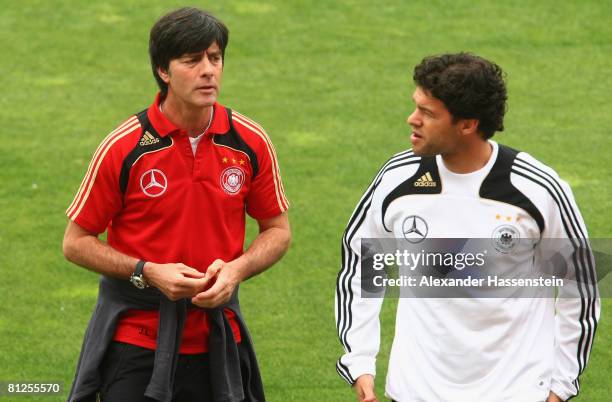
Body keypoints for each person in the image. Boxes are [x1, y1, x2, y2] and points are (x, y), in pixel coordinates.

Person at [335, 53, 599, 402]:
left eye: (428, 113)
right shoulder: (398, 178)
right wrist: (360, 362)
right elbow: (361, 265)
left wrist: (560, 387)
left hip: (514, 392)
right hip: (415, 391)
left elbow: (579, 290)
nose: (411, 119)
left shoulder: (536, 189)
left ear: (467, 124)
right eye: (416, 106)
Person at [63, 7, 291, 402]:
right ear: (163, 71)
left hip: (219, 340)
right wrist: (147, 271)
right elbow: (76, 241)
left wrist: (236, 270)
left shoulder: (249, 142)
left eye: (215, 58)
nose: (208, 71)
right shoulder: (124, 147)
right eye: (192, 61)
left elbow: (278, 230)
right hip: (137, 342)